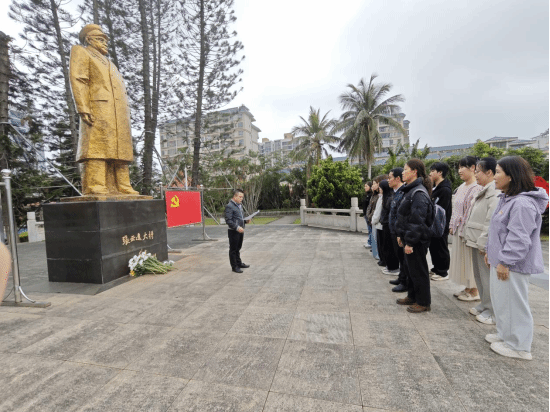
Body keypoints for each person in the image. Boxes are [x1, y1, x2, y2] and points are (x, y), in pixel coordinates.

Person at [485, 156, 548, 360]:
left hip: (513, 265)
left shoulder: (522, 203)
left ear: (511, 176)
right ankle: (506, 336)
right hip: (501, 261)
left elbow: (519, 238)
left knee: (515, 304)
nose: (494, 177)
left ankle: (520, 346)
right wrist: (491, 253)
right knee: (502, 301)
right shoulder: (507, 198)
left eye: (498, 172)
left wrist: (505, 261)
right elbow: (497, 231)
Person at [69, 24, 138, 195]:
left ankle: (123, 184)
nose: (105, 42)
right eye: (100, 39)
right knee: (97, 147)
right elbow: (78, 79)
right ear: (89, 39)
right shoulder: (82, 52)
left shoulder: (110, 63)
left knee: (121, 148)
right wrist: (83, 106)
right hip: (98, 107)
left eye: (105, 39)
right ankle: (96, 184)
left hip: (118, 111)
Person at [463, 158, 500, 324]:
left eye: (478, 171)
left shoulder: (495, 193)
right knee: (479, 277)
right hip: (475, 239)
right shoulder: (485, 190)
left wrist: (483, 243)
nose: (475, 174)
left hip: (482, 242)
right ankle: (484, 304)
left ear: (489, 172)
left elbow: (490, 221)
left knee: (487, 278)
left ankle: (492, 310)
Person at [395, 159, 434, 313]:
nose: (403, 172)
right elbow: (405, 216)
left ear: (414, 171)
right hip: (409, 237)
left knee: (419, 271)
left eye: (405, 169)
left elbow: (418, 220)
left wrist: (410, 242)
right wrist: (401, 235)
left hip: (417, 240)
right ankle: (412, 296)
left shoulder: (418, 193)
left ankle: (423, 302)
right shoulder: (410, 190)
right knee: (410, 270)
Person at [448, 156, 483, 300]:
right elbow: (455, 209)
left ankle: (474, 290)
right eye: (459, 167)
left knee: (469, 261)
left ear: (473, 168)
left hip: (467, 231)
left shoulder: (477, 188)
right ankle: (468, 287)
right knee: (462, 260)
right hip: (458, 229)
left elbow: (472, 212)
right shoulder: (461, 187)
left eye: (463, 167)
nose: (459, 171)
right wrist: (451, 225)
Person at [428, 162, 453, 281]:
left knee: (441, 247)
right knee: (434, 247)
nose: (430, 173)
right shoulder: (436, 187)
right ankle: (436, 268)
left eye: (433, 171)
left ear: (440, 173)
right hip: (433, 224)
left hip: (440, 224)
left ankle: (443, 271)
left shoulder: (445, 189)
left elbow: (440, 209)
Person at [388, 167, 408, 292]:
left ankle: (404, 282)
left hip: (400, 231)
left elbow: (401, 215)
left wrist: (399, 232)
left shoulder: (403, 192)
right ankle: (401, 278)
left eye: (390, 177)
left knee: (403, 258)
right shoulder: (396, 192)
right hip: (394, 230)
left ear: (397, 178)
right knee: (400, 256)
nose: (388, 180)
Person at [225, 189, 251, 273]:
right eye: (240, 197)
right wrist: (237, 227)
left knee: (238, 248)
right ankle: (234, 266)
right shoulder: (229, 206)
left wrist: (245, 221)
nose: (241, 199)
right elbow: (228, 220)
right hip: (234, 231)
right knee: (233, 249)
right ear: (235, 196)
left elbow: (239, 218)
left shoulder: (239, 205)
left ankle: (239, 263)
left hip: (240, 230)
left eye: (242, 197)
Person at [378, 180, 400, 275]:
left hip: (389, 225)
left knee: (390, 248)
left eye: (381, 188)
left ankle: (393, 268)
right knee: (386, 247)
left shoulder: (390, 198)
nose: (379, 189)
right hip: (385, 225)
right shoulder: (386, 197)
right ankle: (389, 266)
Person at [366, 177, 382, 262]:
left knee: (376, 239)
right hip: (371, 219)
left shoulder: (380, 196)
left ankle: (378, 255)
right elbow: (370, 207)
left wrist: (371, 217)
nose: (373, 185)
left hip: (375, 220)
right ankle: (376, 253)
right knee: (373, 237)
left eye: (375, 183)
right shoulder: (374, 195)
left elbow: (375, 209)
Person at [362, 182, 373, 249]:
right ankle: (369, 241)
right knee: (369, 229)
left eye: (366, 186)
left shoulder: (371, 195)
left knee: (370, 230)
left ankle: (370, 243)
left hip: (369, 216)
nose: (365, 187)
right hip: (366, 214)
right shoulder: (367, 195)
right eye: (365, 186)